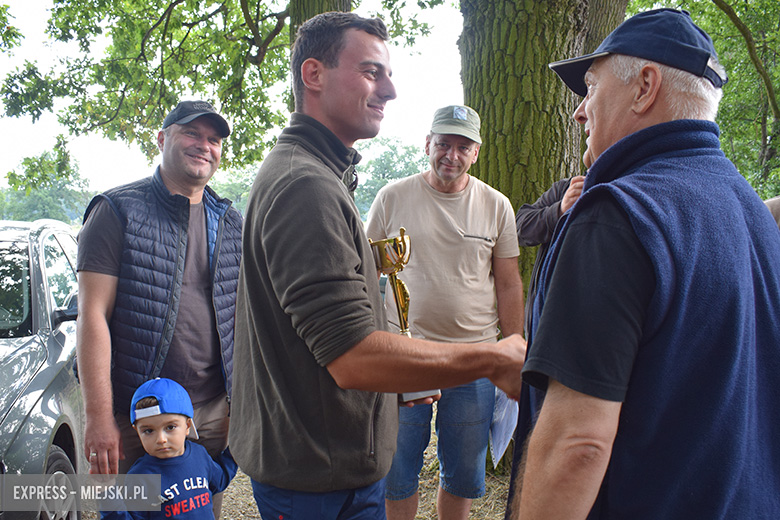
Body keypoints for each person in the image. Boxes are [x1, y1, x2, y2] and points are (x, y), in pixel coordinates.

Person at [229, 11, 526, 520]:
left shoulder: (319, 174)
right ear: (314, 75)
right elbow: (354, 358)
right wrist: (493, 359)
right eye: (372, 72)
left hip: (333, 464)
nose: (390, 90)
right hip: (316, 480)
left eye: (387, 74)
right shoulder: (306, 186)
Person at [509, 8, 780, 519]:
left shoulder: (618, 216)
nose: (578, 112)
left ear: (645, 87)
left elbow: (577, 446)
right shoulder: (752, 212)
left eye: (590, 88)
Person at [76, 100, 242, 518]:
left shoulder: (231, 220)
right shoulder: (116, 211)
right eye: (192, 133)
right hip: (139, 416)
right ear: (162, 138)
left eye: (214, 139)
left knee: (201, 511)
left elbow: (243, 318)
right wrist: (99, 418)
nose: (204, 145)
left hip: (210, 412)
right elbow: (92, 316)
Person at [365, 104, 524, 520]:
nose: (450, 155)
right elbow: (364, 271)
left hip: (475, 360)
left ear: (476, 153)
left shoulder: (496, 205)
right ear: (427, 145)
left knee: (462, 475)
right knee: (397, 470)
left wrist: (514, 348)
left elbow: (508, 283)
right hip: (404, 359)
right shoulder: (392, 197)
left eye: (462, 146)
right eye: (443, 144)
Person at [102, 378, 238, 519]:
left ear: (187, 426)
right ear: (137, 431)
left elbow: (219, 480)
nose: (161, 439)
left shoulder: (199, 454)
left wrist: (237, 448)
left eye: (170, 427)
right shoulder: (140, 478)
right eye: (148, 431)